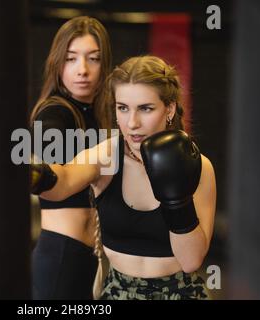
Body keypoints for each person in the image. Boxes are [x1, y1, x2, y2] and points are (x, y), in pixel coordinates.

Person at [31, 55, 217, 300]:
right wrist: (31, 173)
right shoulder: (107, 155)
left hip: (180, 293)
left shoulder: (199, 167)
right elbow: (63, 182)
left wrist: (177, 197)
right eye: (123, 108)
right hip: (118, 293)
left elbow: (191, 260)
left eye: (145, 108)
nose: (132, 123)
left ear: (169, 108)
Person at [29, 16, 113, 299]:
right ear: (57, 63)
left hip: (91, 258)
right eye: (71, 58)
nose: (83, 70)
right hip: (61, 255)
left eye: (93, 58)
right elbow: (51, 171)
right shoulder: (54, 112)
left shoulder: (101, 116)